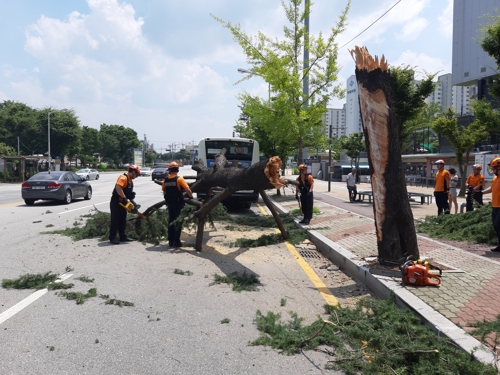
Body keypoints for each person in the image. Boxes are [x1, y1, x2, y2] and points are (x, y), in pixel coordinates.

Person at [162, 161, 193, 247]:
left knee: (171, 221)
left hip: (170, 204)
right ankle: (176, 241)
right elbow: (188, 190)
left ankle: (170, 241)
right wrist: (191, 198)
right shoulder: (179, 179)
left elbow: (164, 192)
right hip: (178, 203)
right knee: (178, 221)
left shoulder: (165, 180)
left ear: (169, 170)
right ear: (177, 170)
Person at [109, 165, 141, 244]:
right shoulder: (123, 177)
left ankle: (122, 236)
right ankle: (112, 237)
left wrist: (132, 201)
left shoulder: (130, 181)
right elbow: (118, 187)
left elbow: (128, 193)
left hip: (123, 202)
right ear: (133, 172)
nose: (136, 176)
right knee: (115, 220)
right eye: (136, 174)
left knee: (123, 220)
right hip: (116, 202)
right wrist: (124, 198)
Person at [481, 157, 500, 252]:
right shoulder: (495, 178)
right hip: (495, 206)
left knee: (498, 224)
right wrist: (481, 192)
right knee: (496, 226)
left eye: (494, 168)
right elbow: (492, 189)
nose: (492, 170)